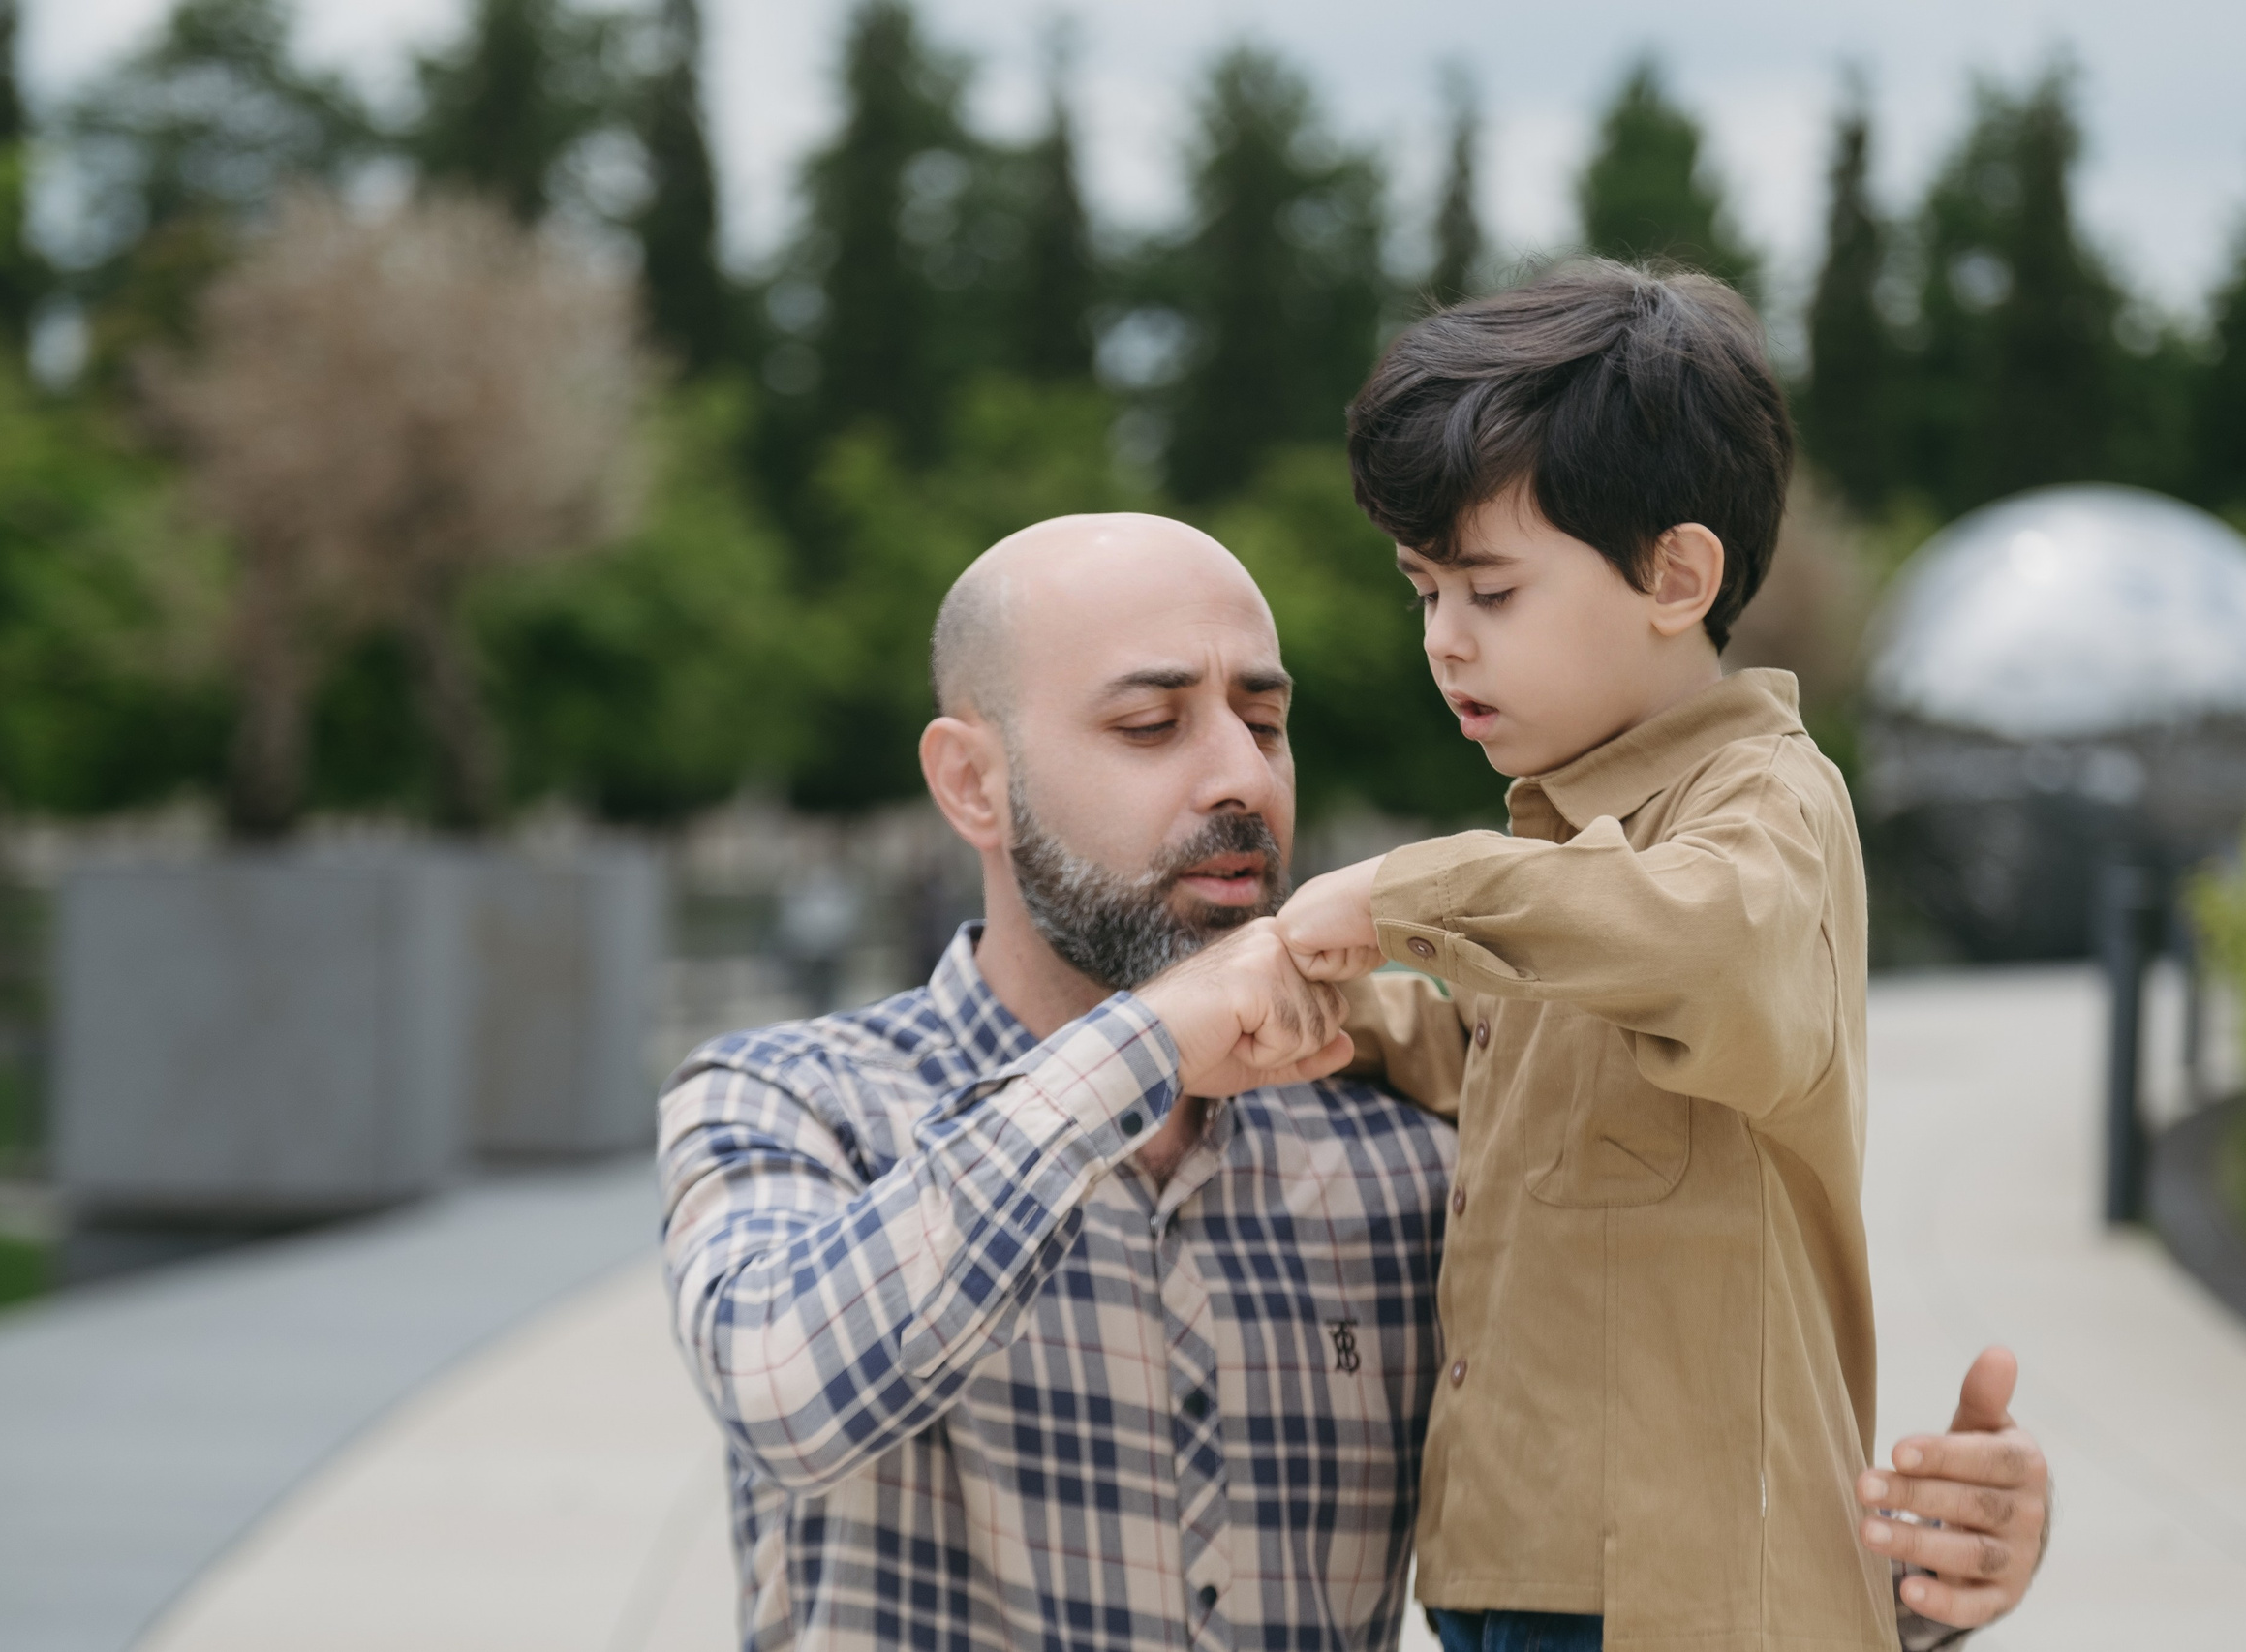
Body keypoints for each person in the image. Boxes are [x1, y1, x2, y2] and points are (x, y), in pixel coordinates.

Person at [656, 512, 2051, 1652]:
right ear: (972, 781)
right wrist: (1152, 1041)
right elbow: (788, 1384)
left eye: (1262, 723)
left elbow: (1603, 1537)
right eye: (1152, 727)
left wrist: (1907, 1579)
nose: (1239, 778)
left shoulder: (1401, 1154)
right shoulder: (794, 1101)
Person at [1277, 261, 1923, 1652]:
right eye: (1423, 592)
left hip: (1690, 1598)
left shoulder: (1768, 810)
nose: (1446, 642)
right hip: (1508, 1571)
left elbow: (1697, 939)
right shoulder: (1579, 849)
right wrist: (1356, 1014)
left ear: (1675, 575)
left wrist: (1400, 893)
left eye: (1491, 591)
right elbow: (1525, 1066)